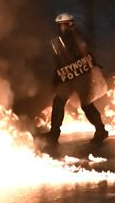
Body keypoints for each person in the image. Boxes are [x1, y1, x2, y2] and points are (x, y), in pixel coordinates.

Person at [37, 13, 109, 147]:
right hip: (70, 78)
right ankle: (54, 134)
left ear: (70, 24)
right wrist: (58, 77)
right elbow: (61, 62)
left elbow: (80, 57)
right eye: (58, 26)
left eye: (62, 25)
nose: (60, 28)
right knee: (59, 102)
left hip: (82, 77)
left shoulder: (77, 38)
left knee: (86, 104)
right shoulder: (62, 40)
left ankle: (100, 130)